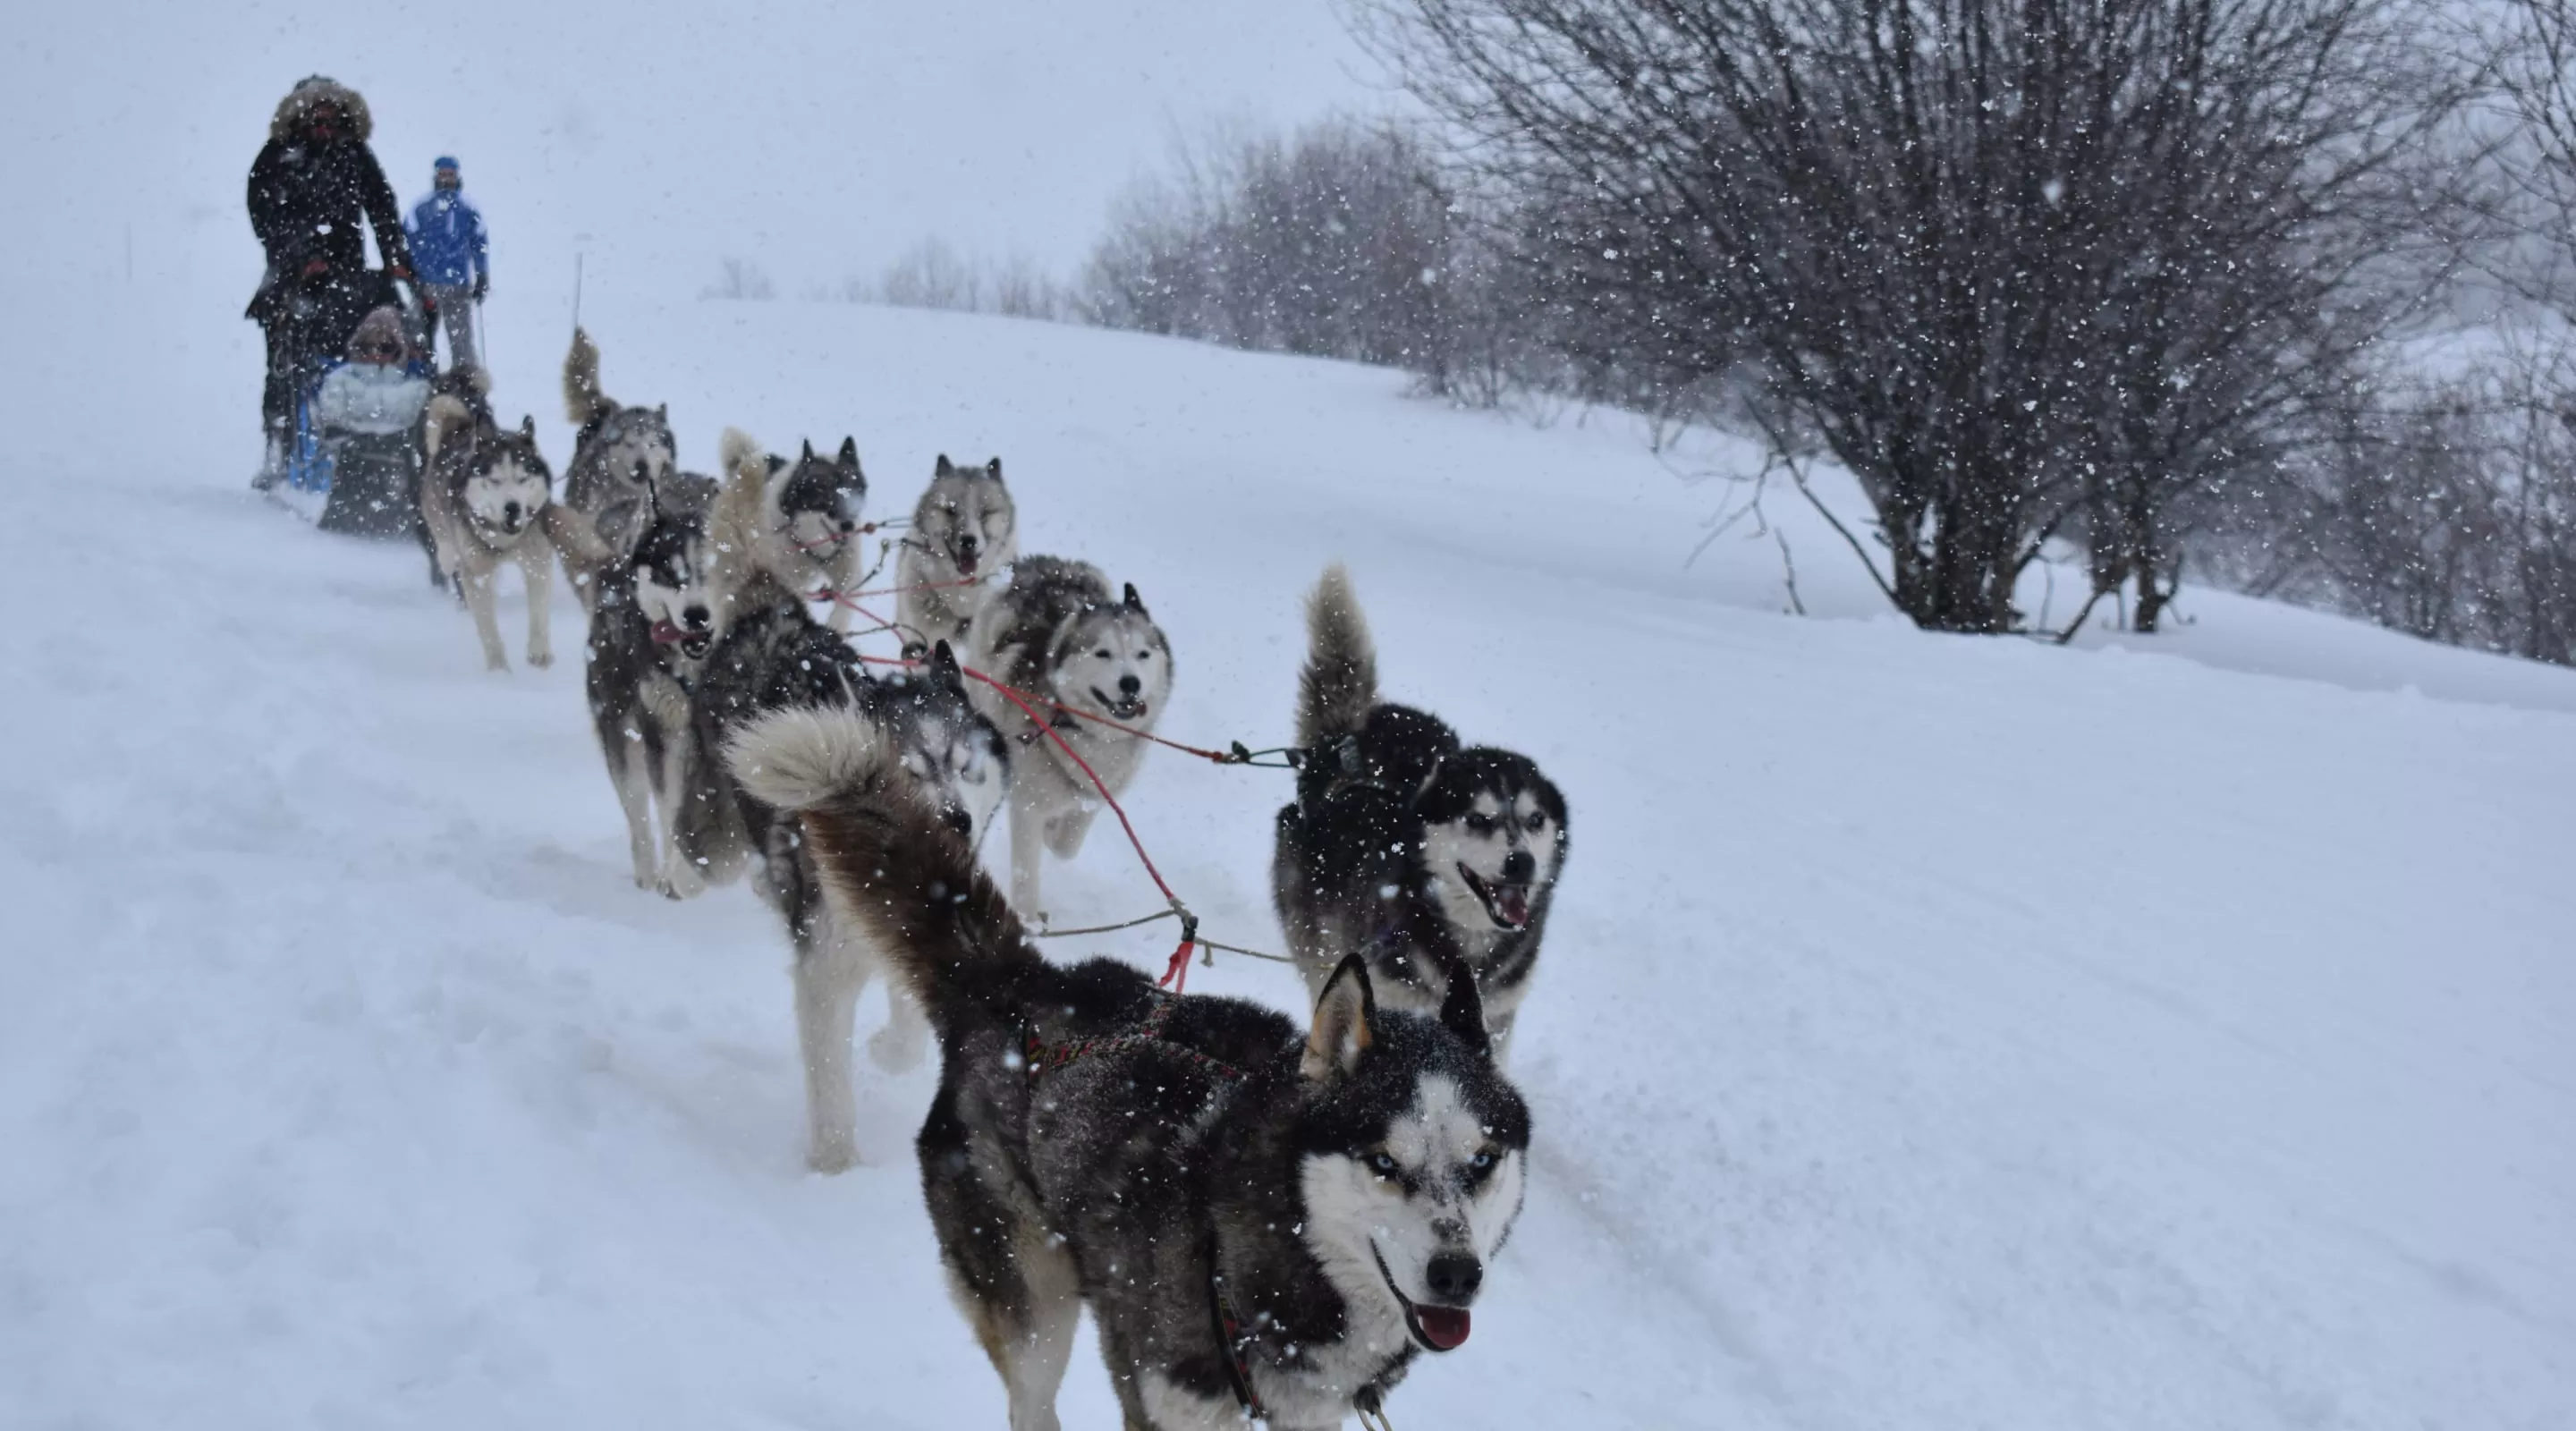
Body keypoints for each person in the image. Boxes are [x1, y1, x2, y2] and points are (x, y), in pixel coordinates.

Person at [246, 76, 416, 488]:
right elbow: (265, 212)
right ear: (300, 115)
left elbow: (381, 205)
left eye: (331, 115)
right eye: (315, 114)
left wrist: (395, 257)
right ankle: (280, 444)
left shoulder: (354, 154)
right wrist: (302, 253)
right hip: (292, 279)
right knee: (285, 364)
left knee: (368, 351)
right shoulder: (278, 156)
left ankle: (369, 437)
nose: (324, 123)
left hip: (349, 277)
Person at [405, 157, 490, 370]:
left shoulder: (468, 209)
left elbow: (479, 243)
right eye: (442, 174)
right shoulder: (421, 207)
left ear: (457, 176)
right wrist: (411, 274)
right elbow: (408, 240)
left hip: (457, 285)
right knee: (416, 337)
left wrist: (482, 275)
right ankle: (418, 375)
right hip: (425, 286)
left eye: (450, 174)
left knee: (461, 341)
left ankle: (467, 382)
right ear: (435, 175)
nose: (446, 179)